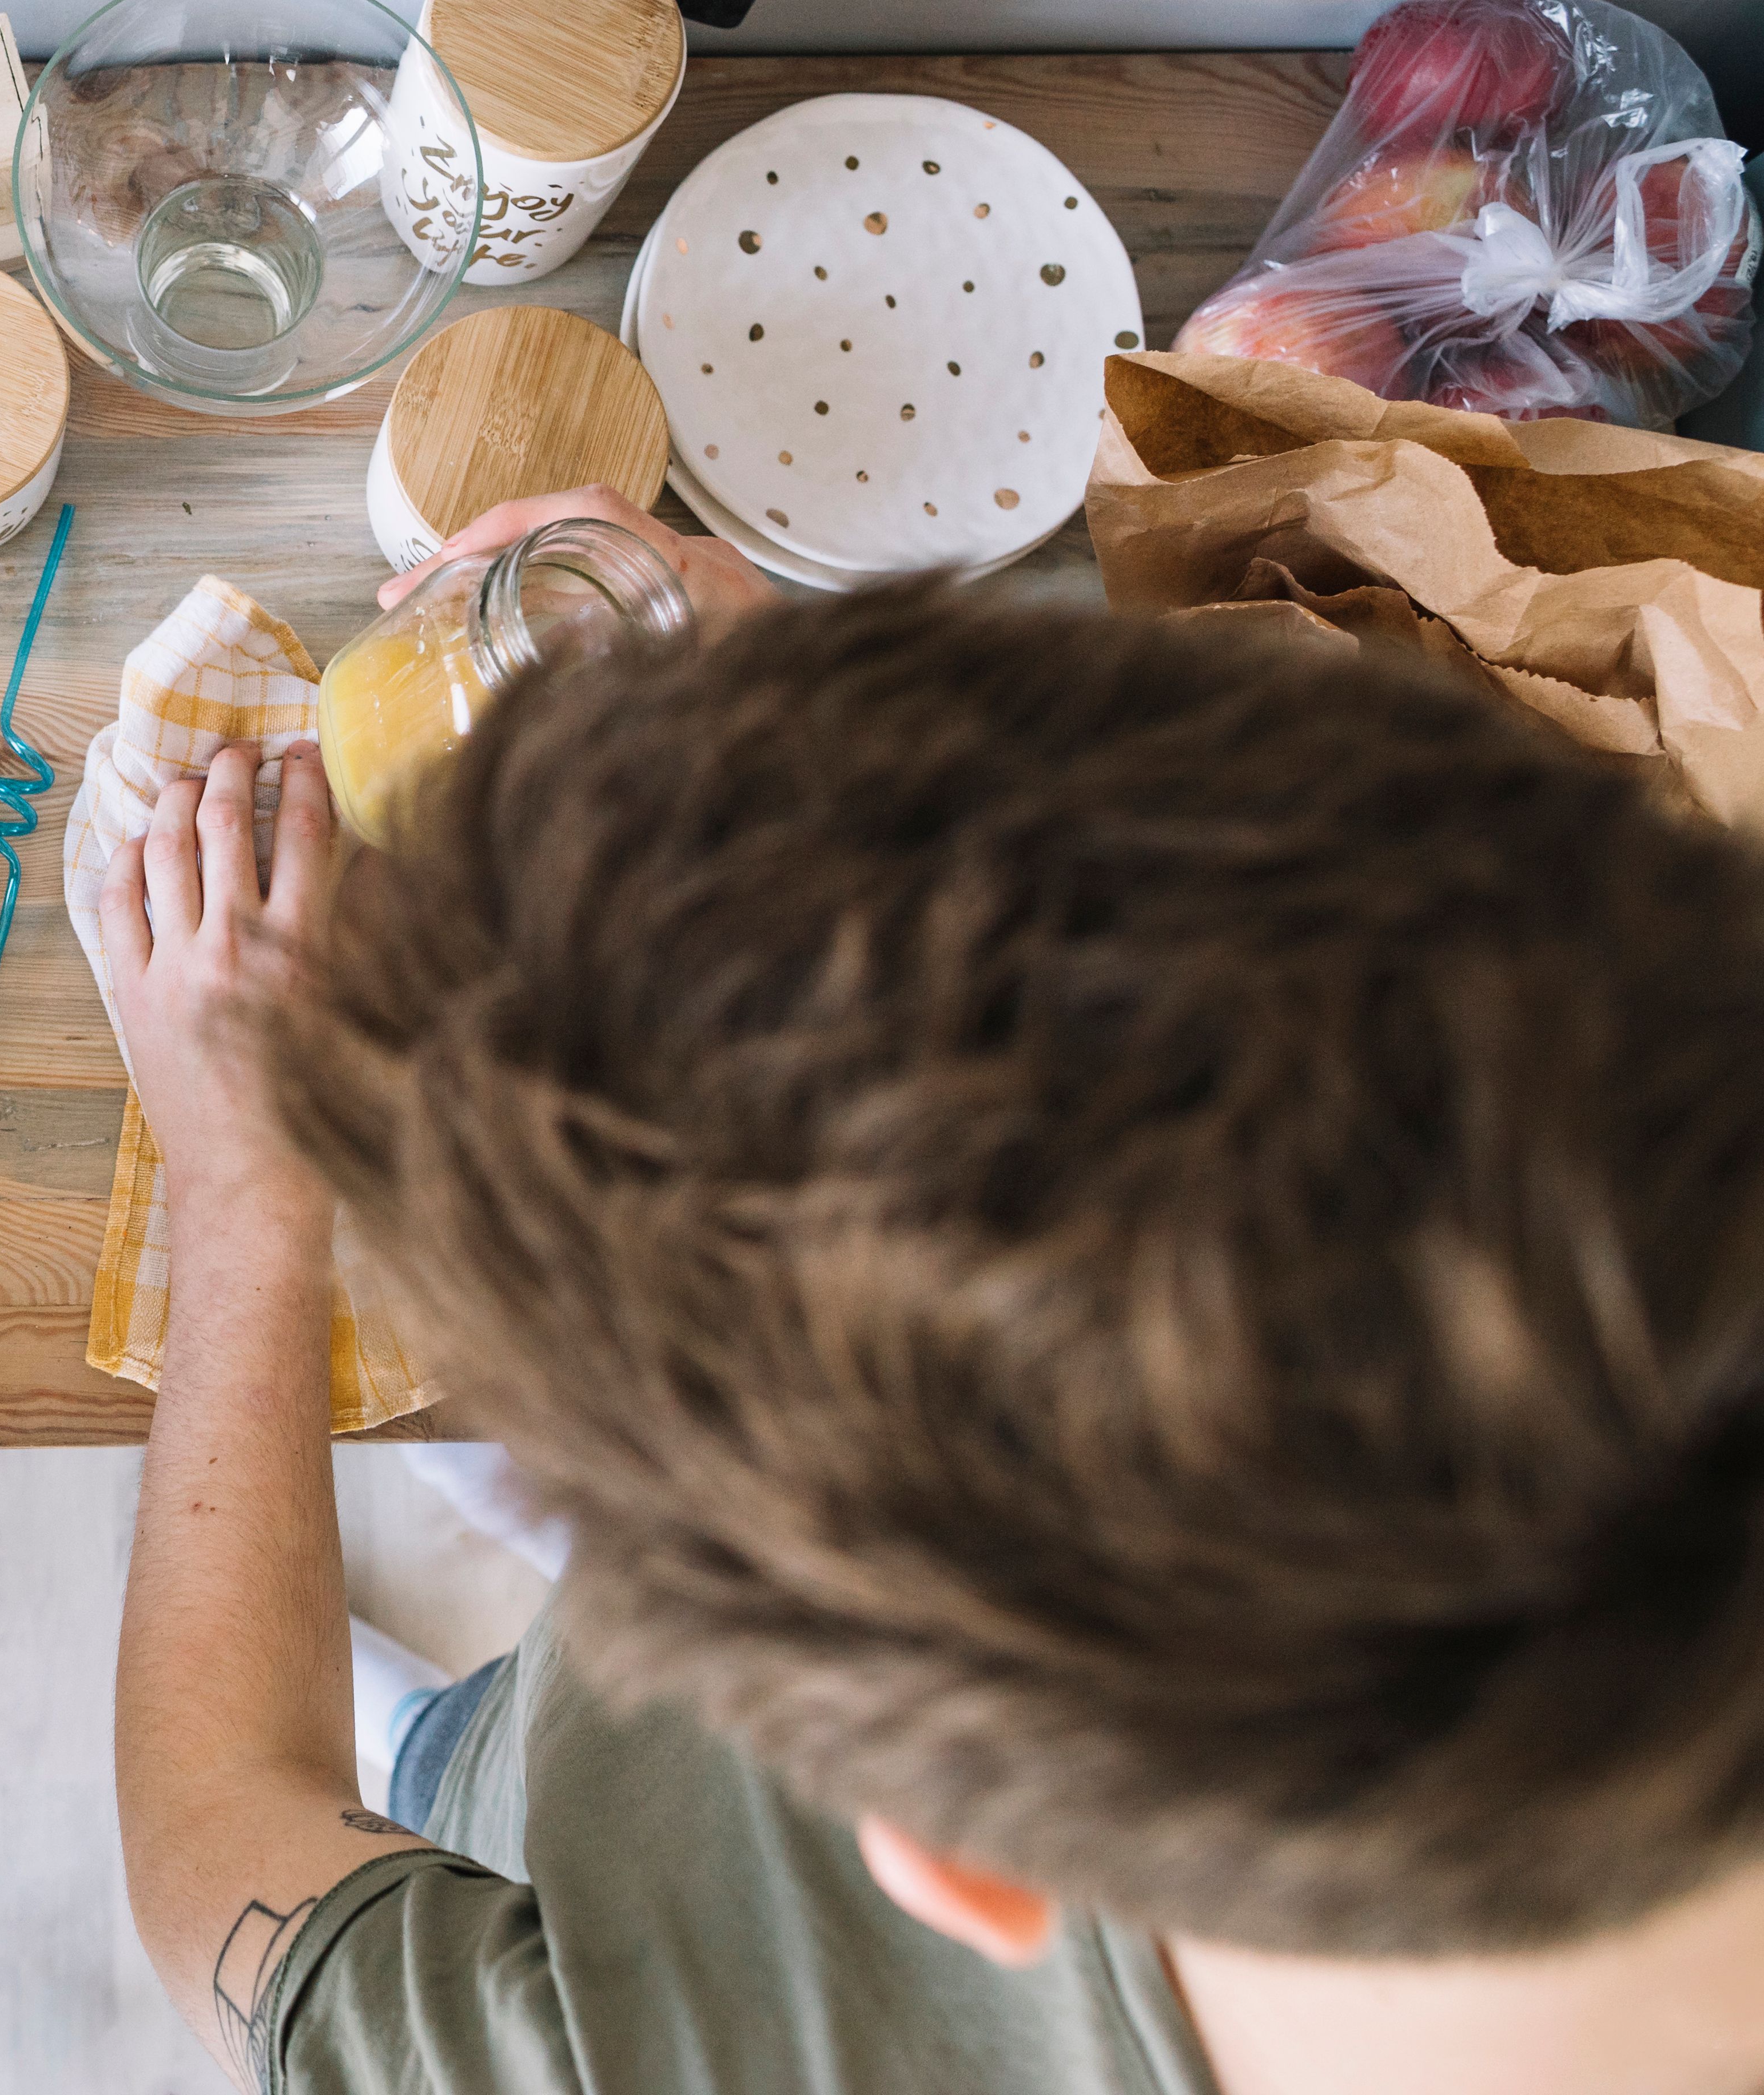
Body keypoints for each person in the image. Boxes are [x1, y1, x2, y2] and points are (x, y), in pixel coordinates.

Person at [106, 494, 1764, 2095]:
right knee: (501, 1744)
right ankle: (450, 1752)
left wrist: (249, 1199)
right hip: (629, 1742)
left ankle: (446, 1770)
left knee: (484, 1783)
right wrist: (849, 765)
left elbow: (219, 1833)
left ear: (954, 1871)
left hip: (604, 1820)